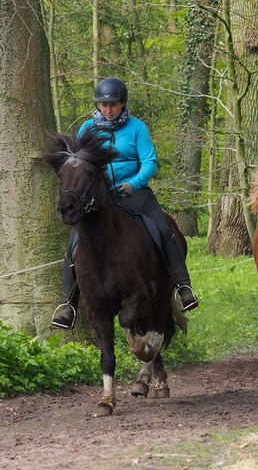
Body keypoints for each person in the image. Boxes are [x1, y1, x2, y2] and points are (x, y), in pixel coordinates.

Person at [51, 77, 198, 329]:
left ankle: (183, 287)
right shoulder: (87, 128)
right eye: (103, 105)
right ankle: (68, 305)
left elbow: (149, 161)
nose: (108, 110)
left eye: (113, 105)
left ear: (123, 104)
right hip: (97, 198)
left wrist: (134, 183)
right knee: (75, 243)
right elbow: (76, 166)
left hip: (134, 193)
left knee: (162, 229)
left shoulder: (137, 127)